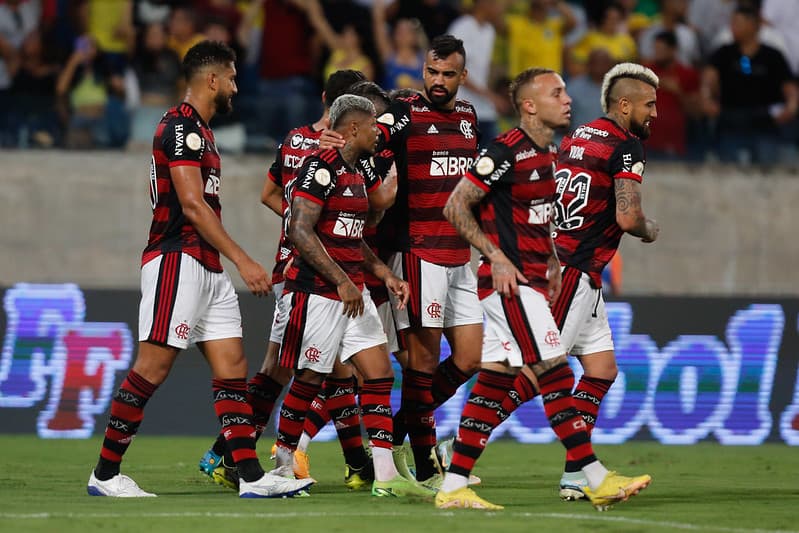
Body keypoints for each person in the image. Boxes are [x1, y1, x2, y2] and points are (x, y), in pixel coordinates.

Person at [86, 40, 313, 499]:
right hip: (177, 258)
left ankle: (250, 478)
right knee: (153, 366)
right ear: (212, 79)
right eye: (230, 77)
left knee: (232, 367)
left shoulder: (203, 133)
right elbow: (191, 205)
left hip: (205, 265)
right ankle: (105, 474)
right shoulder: (179, 128)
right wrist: (243, 258)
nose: (234, 86)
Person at [435, 66, 652, 511]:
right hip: (512, 283)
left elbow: (542, 218)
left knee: (497, 380)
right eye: (557, 93)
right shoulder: (503, 152)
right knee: (554, 372)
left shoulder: (553, 154)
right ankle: (590, 475)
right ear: (530, 105)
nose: (568, 99)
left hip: (545, 275)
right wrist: (494, 257)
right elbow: (455, 205)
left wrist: (552, 260)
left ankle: (454, 481)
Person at [198, 69, 377, 491]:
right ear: (341, 110)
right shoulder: (324, 150)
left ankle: (231, 455)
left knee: (295, 369)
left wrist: (311, 221)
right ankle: (330, 461)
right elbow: (279, 200)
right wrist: (310, 225)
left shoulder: (302, 141)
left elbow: (271, 195)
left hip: (306, 265)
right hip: (306, 272)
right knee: (311, 369)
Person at [272, 94, 432, 499]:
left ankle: (384, 475)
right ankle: (282, 466)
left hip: (351, 290)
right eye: (376, 125)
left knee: (378, 372)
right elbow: (300, 231)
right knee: (309, 378)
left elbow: (349, 236)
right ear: (356, 128)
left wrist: (380, 273)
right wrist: (342, 281)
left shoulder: (356, 174)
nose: (382, 132)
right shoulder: (318, 168)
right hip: (318, 292)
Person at [372, 35, 483, 486]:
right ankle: (425, 468)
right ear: (423, 70)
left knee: (470, 358)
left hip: (460, 255)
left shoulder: (469, 118)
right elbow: (366, 145)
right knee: (421, 361)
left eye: (448, 75)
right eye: (432, 73)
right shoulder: (401, 112)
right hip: (418, 252)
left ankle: (397, 429)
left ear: (463, 76)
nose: (438, 82)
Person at [701, 4, 798, 165]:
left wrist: (791, 106)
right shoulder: (724, 53)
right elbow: (709, 78)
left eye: (738, 23)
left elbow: (788, 86)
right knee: (728, 168)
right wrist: (706, 98)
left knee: (767, 168)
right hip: (730, 119)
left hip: (764, 121)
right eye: (732, 23)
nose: (733, 27)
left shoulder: (772, 55)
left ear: (754, 26)